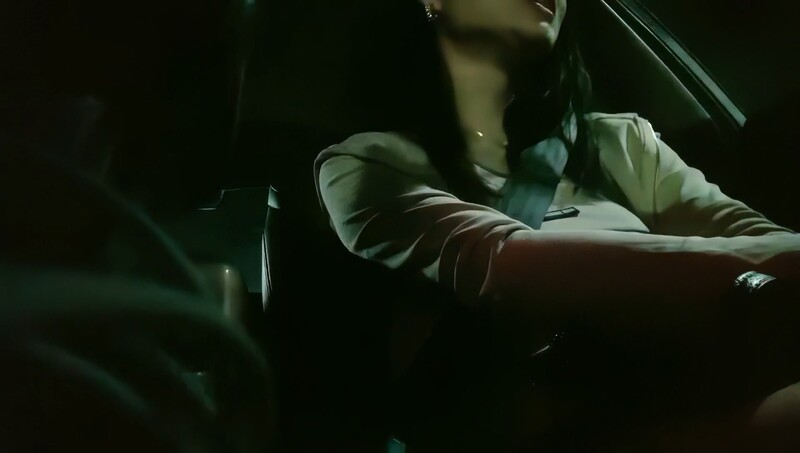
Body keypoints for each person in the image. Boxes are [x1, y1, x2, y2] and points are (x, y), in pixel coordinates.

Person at [314, 0, 800, 450]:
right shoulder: (368, 165)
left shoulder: (622, 143)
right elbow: (505, 264)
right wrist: (758, 263)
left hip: (712, 390)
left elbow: (766, 240)